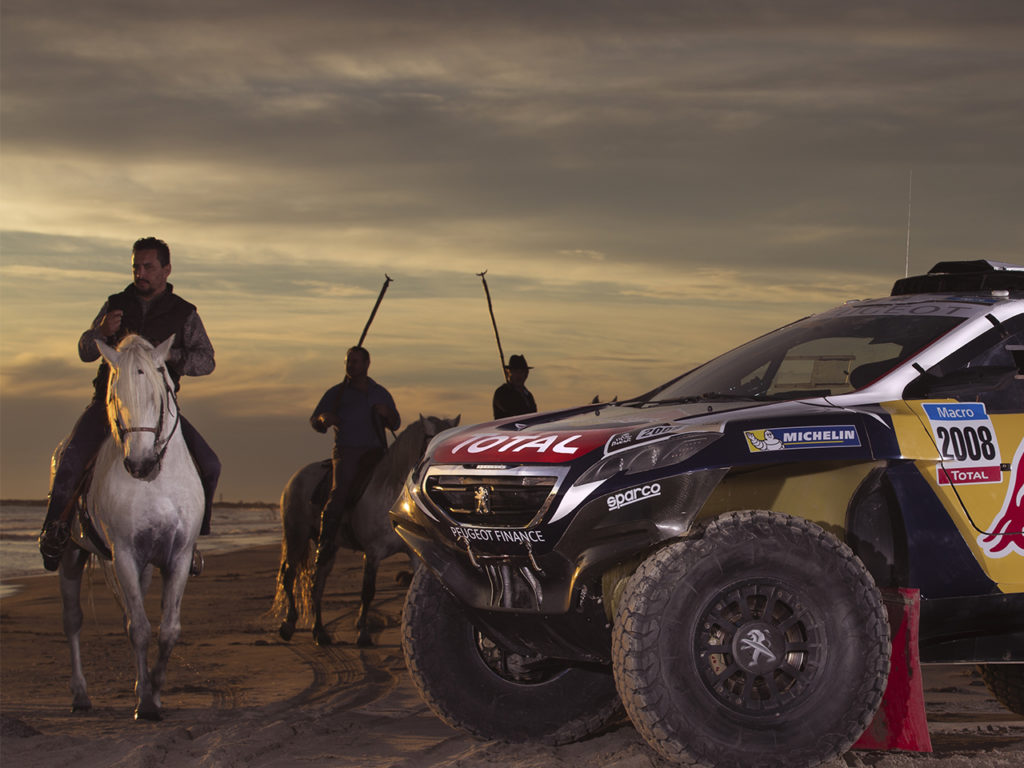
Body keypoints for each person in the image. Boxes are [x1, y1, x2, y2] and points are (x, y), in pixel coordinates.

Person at [37, 237, 221, 575]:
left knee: (210, 464)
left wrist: (166, 358)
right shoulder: (116, 304)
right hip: (111, 405)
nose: (141, 273)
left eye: (148, 267)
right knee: (71, 456)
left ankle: (191, 539)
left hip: (158, 410)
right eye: (136, 266)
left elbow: (206, 360)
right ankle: (55, 530)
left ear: (166, 269)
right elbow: (84, 350)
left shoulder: (184, 313)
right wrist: (99, 331)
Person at [310, 345, 400, 569]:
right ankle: (325, 543)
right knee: (338, 492)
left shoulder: (380, 392)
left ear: (367, 364)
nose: (351, 366)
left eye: (355, 362)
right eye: (348, 362)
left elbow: (396, 423)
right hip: (347, 450)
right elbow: (315, 420)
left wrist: (386, 413)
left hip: (377, 452)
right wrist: (324, 419)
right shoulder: (336, 393)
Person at [492, 353, 537, 419]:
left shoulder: (528, 396)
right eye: (515, 371)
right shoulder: (502, 392)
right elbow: (513, 411)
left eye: (521, 372)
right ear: (509, 373)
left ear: (526, 374)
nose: (518, 376)